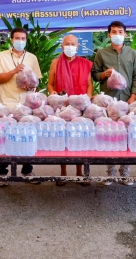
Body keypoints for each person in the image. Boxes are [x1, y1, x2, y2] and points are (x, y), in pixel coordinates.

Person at [91, 21, 136, 185]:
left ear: (125, 34)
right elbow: (95, 75)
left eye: (120, 31)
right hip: (108, 101)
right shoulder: (101, 53)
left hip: (127, 100)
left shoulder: (132, 53)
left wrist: (133, 96)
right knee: (110, 135)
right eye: (114, 32)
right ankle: (110, 172)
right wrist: (105, 74)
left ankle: (125, 172)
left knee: (127, 134)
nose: (117, 34)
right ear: (109, 35)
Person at [0, 27, 42, 185]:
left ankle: (27, 169)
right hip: (7, 104)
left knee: (27, 136)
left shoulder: (32, 58)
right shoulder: (1, 56)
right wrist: (14, 71)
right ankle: (2, 172)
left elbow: (36, 82)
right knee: (5, 137)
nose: (20, 41)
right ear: (11, 40)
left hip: (26, 104)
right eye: (17, 38)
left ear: (26, 40)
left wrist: (31, 87)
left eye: (23, 39)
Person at [47, 34, 93, 186]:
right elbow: (50, 84)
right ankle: (63, 172)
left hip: (80, 106)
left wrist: (88, 98)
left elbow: (89, 85)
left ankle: (80, 172)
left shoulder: (85, 63)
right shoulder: (55, 62)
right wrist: (53, 92)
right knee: (63, 138)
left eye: (73, 44)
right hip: (62, 106)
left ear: (77, 47)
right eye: (67, 44)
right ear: (62, 46)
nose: (70, 46)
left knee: (80, 137)